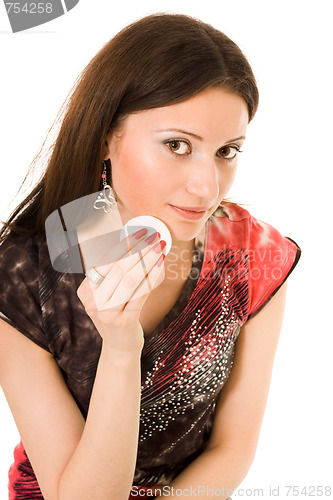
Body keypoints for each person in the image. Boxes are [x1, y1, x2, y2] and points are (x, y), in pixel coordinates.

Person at [0, 12, 301, 500]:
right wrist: (121, 348)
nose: (206, 187)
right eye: (177, 145)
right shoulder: (20, 275)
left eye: (227, 151)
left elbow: (233, 447)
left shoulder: (254, 254)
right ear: (106, 137)